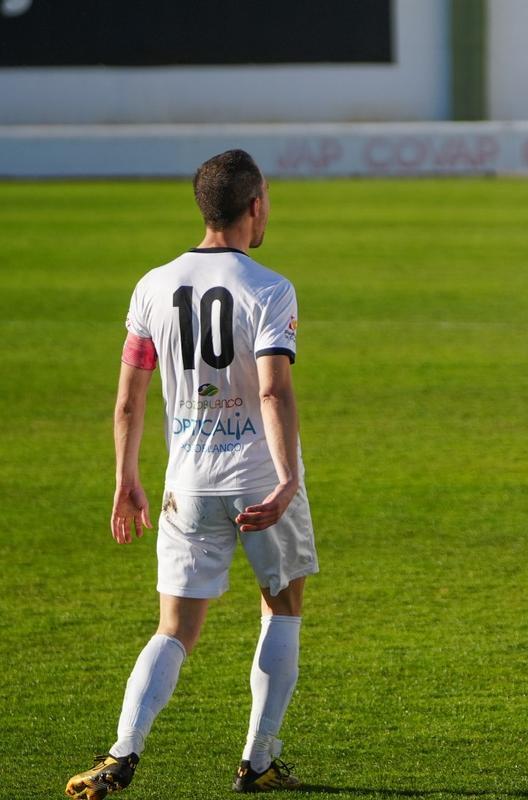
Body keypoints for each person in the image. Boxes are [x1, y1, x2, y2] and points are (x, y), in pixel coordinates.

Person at [65, 149, 317, 798]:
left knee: (174, 629)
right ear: (254, 204)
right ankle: (258, 762)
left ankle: (122, 753)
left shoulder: (152, 285)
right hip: (259, 478)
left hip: (188, 483)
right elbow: (273, 391)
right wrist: (287, 479)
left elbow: (128, 399)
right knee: (282, 608)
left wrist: (126, 478)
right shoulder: (269, 288)